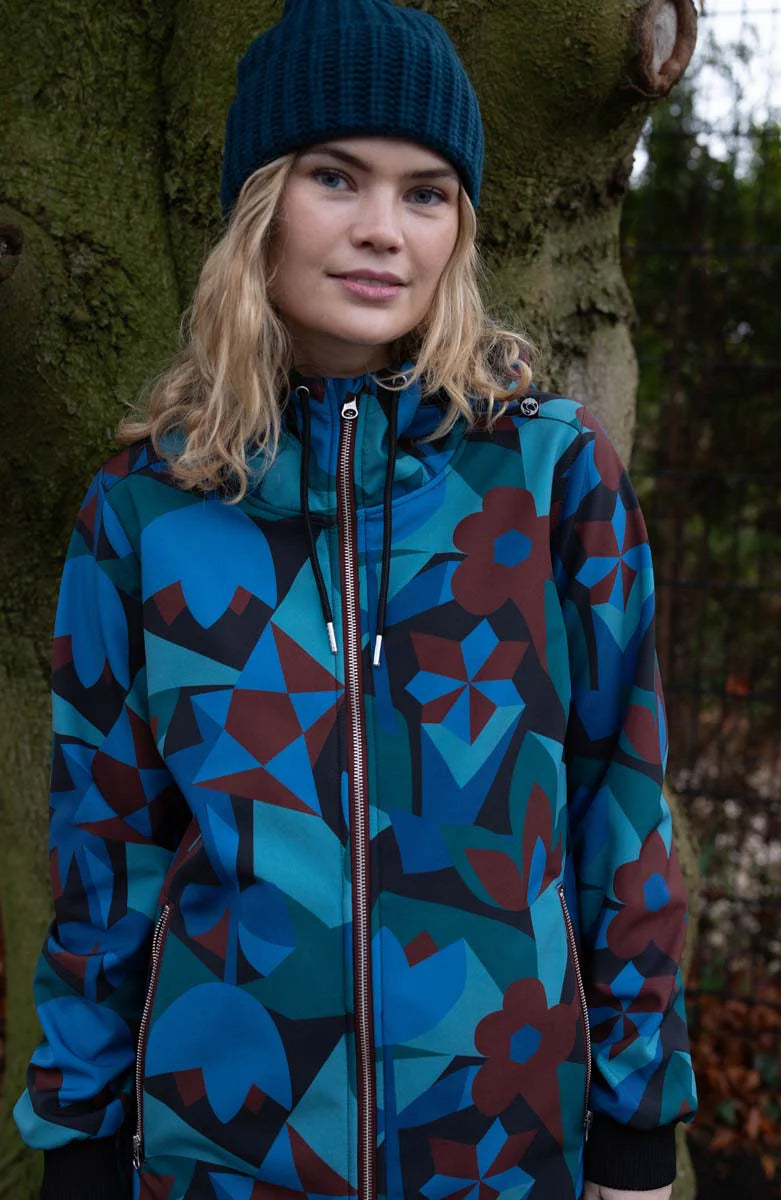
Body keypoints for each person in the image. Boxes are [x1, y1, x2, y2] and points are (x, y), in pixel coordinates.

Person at [14, 1, 697, 1198]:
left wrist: (636, 1125)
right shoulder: (146, 513)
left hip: (501, 1152)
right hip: (223, 1154)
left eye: (424, 192)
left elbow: (619, 812)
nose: (383, 229)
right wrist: (75, 1135)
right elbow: (104, 854)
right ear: (259, 204)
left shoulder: (548, 479)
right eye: (335, 177)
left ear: (458, 227)